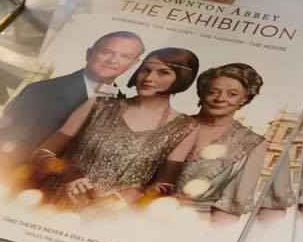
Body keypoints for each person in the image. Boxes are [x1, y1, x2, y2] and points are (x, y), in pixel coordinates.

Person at [28, 47, 200, 208]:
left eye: (163, 72)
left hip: (108, 215)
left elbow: (166, 184)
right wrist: (69, 173)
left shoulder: (185, 127)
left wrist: (137, 193)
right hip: (53, 203)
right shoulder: (96, 105)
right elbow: (41, 153)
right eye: (145, 70)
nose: (148, 78)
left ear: (183, 78)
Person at [0, 30, 145, 179]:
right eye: (106, 52)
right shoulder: (41, 91)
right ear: (89, 53)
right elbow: (1, 143)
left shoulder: (126, 104)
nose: (113, 60)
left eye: (125, 56)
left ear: (133, 63)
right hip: (22, 180)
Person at [176, 63, 268, 222]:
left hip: (196, 226)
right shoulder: (173, 125)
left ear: (244, 99)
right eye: (213, 92)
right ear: (202, 93)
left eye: (232, 94)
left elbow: (229, 210)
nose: (220, 99)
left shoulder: (252, 143)